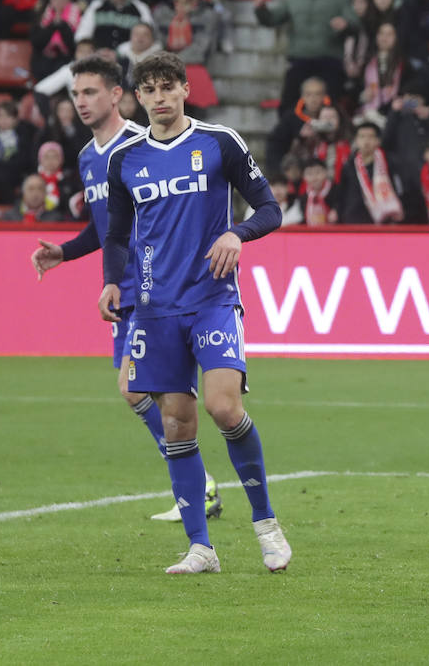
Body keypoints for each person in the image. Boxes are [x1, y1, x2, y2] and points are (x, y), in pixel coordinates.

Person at [98, 53, 289, 575]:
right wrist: (113, 281)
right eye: (149, 90)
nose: (159, 98)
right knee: (176, 425)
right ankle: (201, 548)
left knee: (223, 408)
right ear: (138, 98)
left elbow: (270, 208)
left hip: (212, 300)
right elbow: (115, 234)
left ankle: (266, 524)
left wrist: (236, 232)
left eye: (167, 87)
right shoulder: (125, 159)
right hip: (155, 309)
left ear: (184, 90)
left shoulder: (218, 142)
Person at [29, 58, 221, 523]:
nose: (81, 102)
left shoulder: (144, 143)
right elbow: (107, 230)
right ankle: (196, 483)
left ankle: (198, 484)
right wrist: (66, 252)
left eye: (91, 92)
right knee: (139, 390)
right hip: (125, 288)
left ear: (118, 94)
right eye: (76, 94)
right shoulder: (89, 157)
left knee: (137, 387)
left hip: (159, 286)